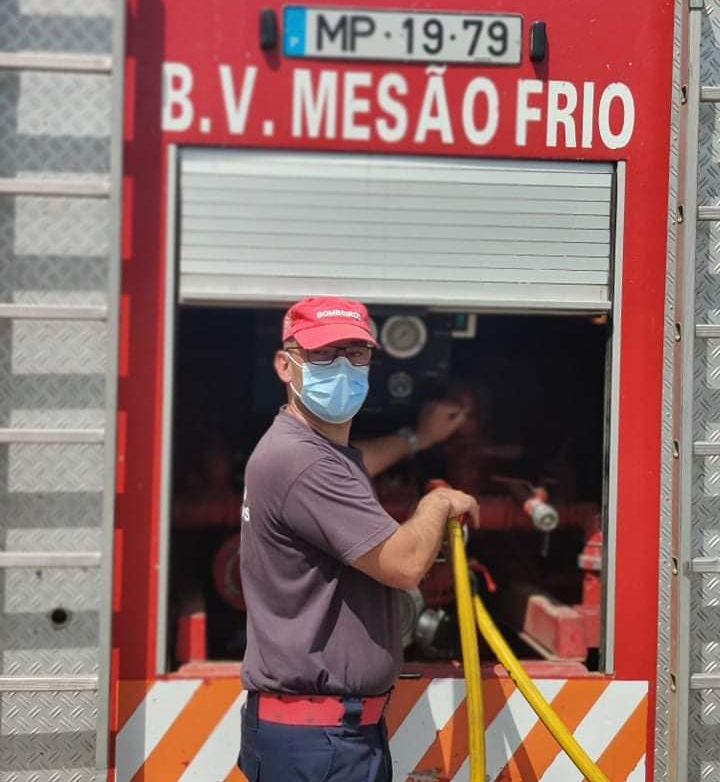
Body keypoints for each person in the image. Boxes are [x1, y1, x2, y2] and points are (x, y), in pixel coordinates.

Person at [238, 296, 479, 782]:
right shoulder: (304, 463)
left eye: (356, 353)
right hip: (320, 745)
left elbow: (353, 462)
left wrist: (418, 440)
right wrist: (439, 503)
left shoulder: (304, 449)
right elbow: (406, 564)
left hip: (329, 738)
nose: (343, 368)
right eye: (324, 355)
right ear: (286, 366)